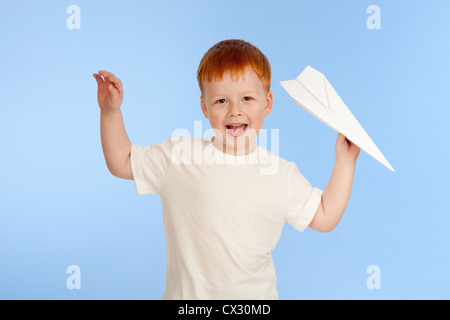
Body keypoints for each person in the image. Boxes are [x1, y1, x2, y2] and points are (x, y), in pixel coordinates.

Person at [93, 39, 360, 299]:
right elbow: (123, 161)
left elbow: (324, 216)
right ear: (205, 107)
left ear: (266, 104)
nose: (235, 110)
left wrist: (345, 162)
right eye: (221, 101)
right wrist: (110, 112)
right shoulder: (179, 156)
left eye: (246, 98)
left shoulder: (281, 174)